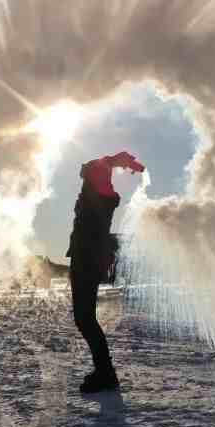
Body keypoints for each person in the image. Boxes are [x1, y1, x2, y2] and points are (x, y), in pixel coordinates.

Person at [66, 151, 145, 393]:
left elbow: (95, 167)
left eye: (86, 174)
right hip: (85, 257)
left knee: (84, 318)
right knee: (84, 318)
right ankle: (104, 371)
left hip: (87, 259)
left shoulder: (100, 193)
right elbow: (93, 168)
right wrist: (117, 161)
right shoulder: (98, 192)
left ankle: (105, 373)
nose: (83, 176)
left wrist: (114, 160)